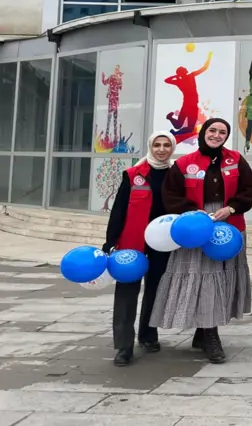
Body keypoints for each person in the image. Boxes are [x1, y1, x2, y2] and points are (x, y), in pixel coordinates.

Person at [152, 118, 252, 364]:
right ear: (203, 133)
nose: (217, 135)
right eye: (212, 130)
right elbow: (171, 196)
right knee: (203, 277)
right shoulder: (184, 163)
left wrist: (231, 208)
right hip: (196, 227)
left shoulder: (236, 160)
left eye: (222, 132)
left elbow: (249, 190)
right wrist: (195, 214)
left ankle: (203, 331)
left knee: (220, 277)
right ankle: (210, 335)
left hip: (228, 226)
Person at [103, 131, 177, 366]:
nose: (162, 149)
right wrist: (110, 241)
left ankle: (148, 335)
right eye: (157, 144)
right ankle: (124, 346)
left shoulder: (177, 175)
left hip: (162, 243)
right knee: (126, 294)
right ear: (150, 146)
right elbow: (119, 209)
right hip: (132, 243)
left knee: (156, 290)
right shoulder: (134, 174)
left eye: (167, 145)